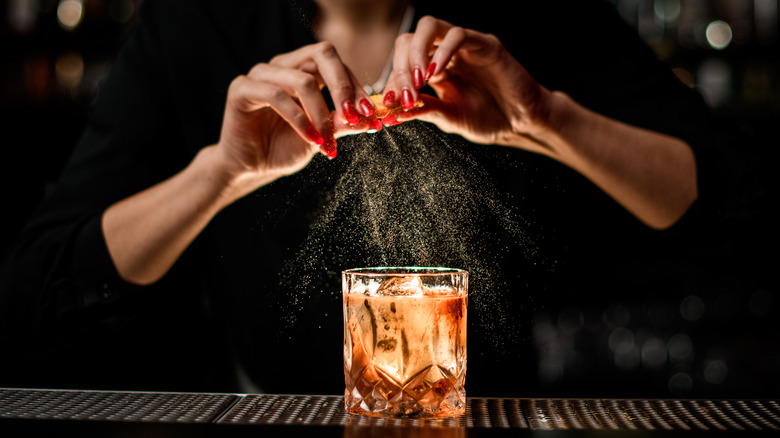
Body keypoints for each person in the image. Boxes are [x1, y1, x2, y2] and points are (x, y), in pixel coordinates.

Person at [0, 0, 771, 397]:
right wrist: (219, 173)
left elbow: (743, 209)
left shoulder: (533, 14)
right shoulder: (196, 21)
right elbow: (37, 295)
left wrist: (545, 119)